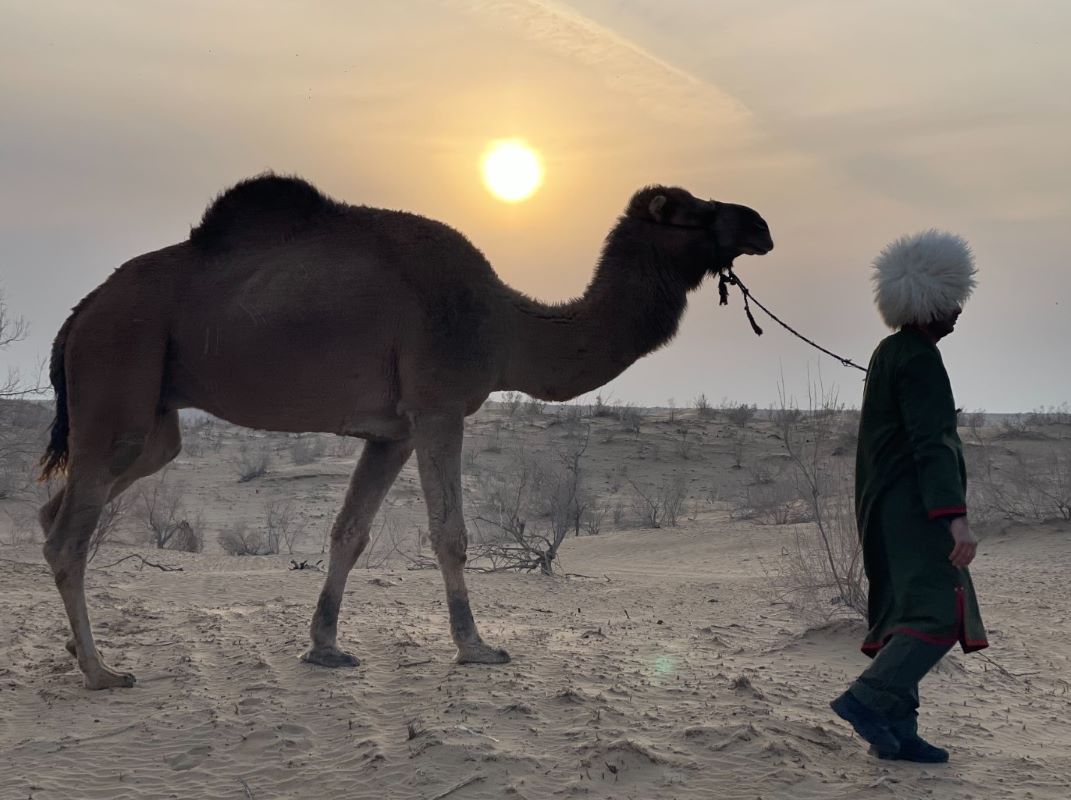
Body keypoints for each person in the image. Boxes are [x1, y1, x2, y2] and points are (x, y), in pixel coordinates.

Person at [830, 230, 988, 764]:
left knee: (904, 612)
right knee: (939, 614)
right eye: (953, 299)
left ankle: (896, 733)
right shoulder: (919, 358)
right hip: (914, 508)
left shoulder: (888, 351)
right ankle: (867, 701)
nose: (959, 311)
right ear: (932, 300)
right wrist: (956, 519)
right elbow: (932, 444)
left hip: (880, 506)